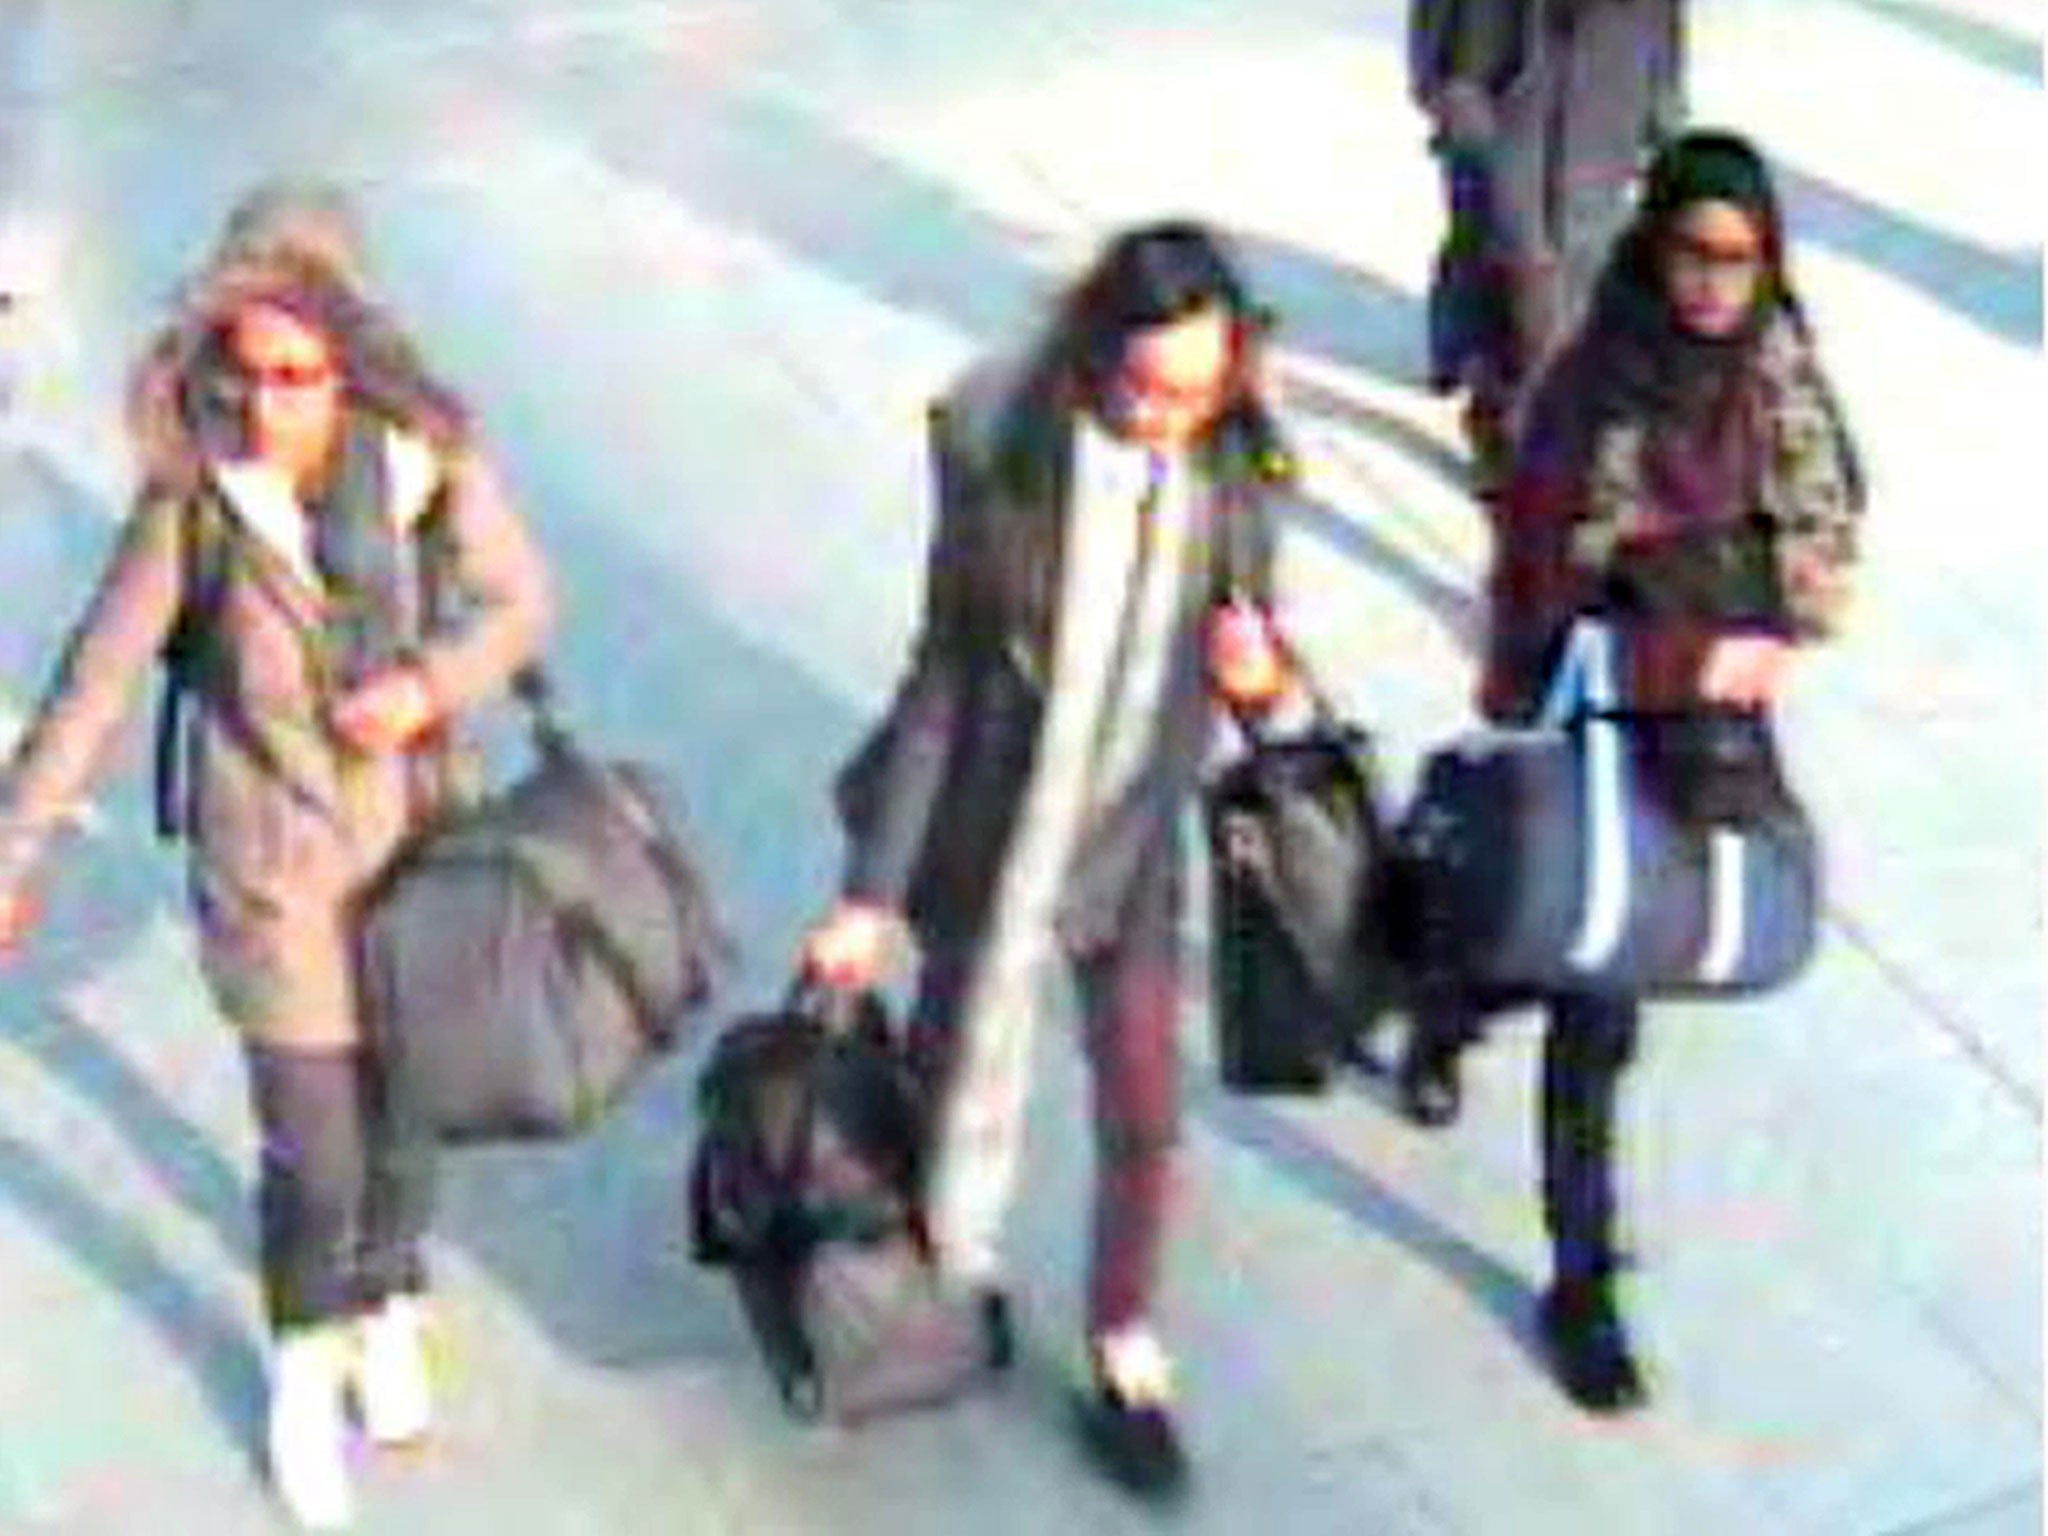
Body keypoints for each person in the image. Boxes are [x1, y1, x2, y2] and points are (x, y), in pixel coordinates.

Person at [0, 184, 552, 1528]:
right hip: (272, 874)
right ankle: (306, 1372)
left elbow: (522, 602)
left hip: (419, 854)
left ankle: (387, 1292)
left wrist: (428, 685)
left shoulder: (426, 467)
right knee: (319, 1151)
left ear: (350, 363)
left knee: (407, 1124)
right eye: (243, 376)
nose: (267, 409)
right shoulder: (194, 502)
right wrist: (16, 849)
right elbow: (92, 686)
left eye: (299, 378)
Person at [807, 222, 1300, 1499]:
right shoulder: (1009, 470)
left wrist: (1261, 682)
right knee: (946, 1068)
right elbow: (940, 686)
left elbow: (1260, 665)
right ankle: (944, 1286)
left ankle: (1121, 1341)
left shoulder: (1235, 470)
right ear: (1094, 356)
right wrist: (869, 896)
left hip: (1129, 855)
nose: (1164, 418)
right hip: (994, 839)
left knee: (1143, 1114)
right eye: (1143, 389)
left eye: (1194, 391)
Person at [1402, 131, 1864, 1412]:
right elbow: (1536, 562)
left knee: (1613, 961)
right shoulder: (1589, 383)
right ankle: (1580, 1278)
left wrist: (1776, 630)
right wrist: (1582, 662)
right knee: (1589, 984)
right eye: (1692, 253)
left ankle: (1448, 1001)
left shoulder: (1779, 377)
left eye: (1741, 258)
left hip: (1711, 725)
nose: (1715, 283)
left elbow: (1827, 537)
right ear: (1651, 247)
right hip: (1594, 705)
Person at [1408, 0, 1687, 492]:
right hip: (1497, 74)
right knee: (1516, 249)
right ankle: (1512, 421)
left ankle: (1539, 409)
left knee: (1581, 257)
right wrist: (1442, 80)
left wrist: (1664, 100)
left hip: (1608, 77)